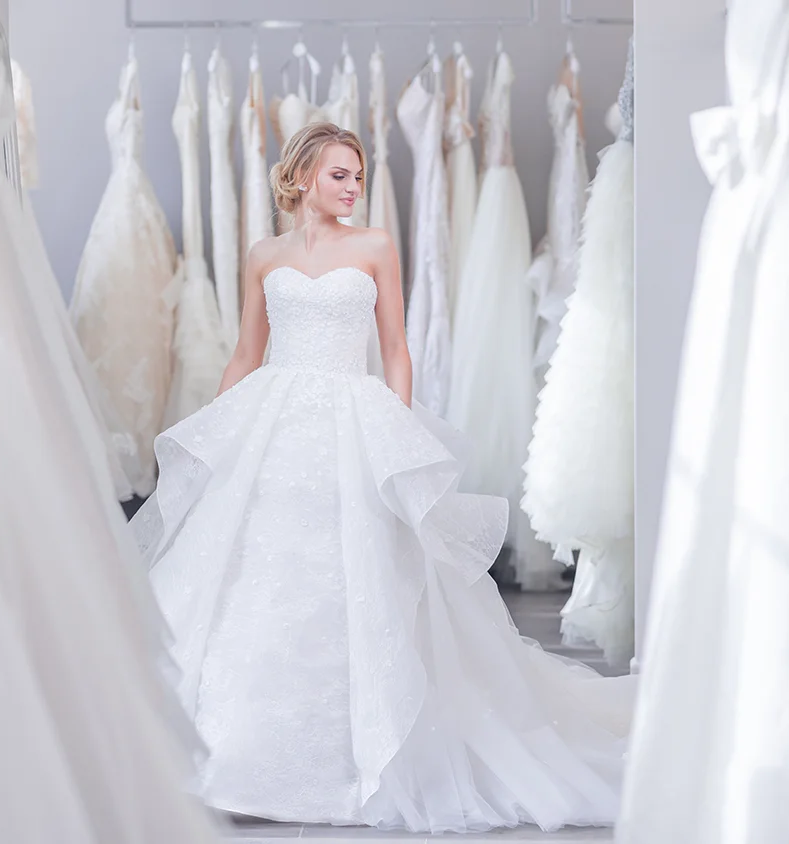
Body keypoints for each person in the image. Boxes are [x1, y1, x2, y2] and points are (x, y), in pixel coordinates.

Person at [130, 122, 635, 834]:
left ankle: (357, 759)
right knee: (260, 578)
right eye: (340, 175)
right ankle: (239, 756)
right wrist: (222, 439)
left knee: (356, 574)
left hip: (352, 419)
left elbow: (395, 349)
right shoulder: (262, 255)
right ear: (303, 176)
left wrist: (395, 437)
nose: (354, 187)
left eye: (359, 176)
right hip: (273, 419)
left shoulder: (374, 248)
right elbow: (246, 353)